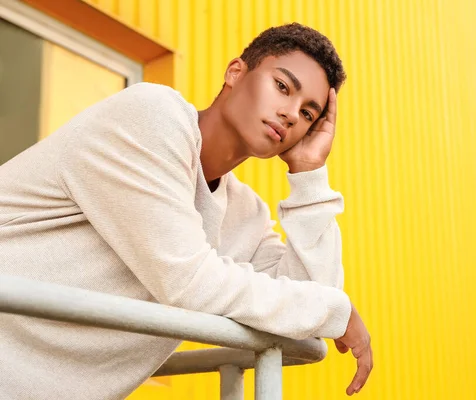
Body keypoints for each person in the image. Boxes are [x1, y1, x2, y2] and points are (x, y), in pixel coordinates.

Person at [0, 23, 373, 398]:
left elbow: (311, 303)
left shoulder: (246, 216)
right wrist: (328, 310)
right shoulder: (151, 115)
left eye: (308, 114)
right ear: (236, 72)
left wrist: (310, 175)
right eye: (282, 86)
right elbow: (186, 278)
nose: (292, 114)